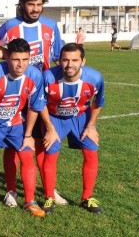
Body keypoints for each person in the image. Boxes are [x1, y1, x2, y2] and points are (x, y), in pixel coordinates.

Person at [0, 0, 66, 207]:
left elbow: (56, 56)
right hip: (15, 93)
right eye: (30, 4)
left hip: (40, 94)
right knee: (12, 144)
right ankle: (11, 190)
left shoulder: (51, 26)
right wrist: (10, 59)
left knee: (41, 143)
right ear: (22, 5)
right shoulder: (10, 26)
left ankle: (49, 190)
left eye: (38, 4)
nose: (35, 9)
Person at [0, 38, 46, 218]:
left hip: (15, 122)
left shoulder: (35, 76)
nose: (20, 65)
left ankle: (29, 201)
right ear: (7, 57)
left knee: (27, 155)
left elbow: (34, 107)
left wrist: (28, 134)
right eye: (16, 59)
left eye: (25, 59)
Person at [41, 43, 104, 214]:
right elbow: (40, 104)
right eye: (65, 60)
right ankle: (49, 197)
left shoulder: (95, 78)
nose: (70, 65)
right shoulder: (47, 77)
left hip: (80, 117)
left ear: (83, 61)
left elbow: (98, 102)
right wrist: (49, 128)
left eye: (75, 60)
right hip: (55, 118)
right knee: (51, 151)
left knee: (91, 150)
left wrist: (91, 125)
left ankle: (87, 197)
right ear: (59, 61)